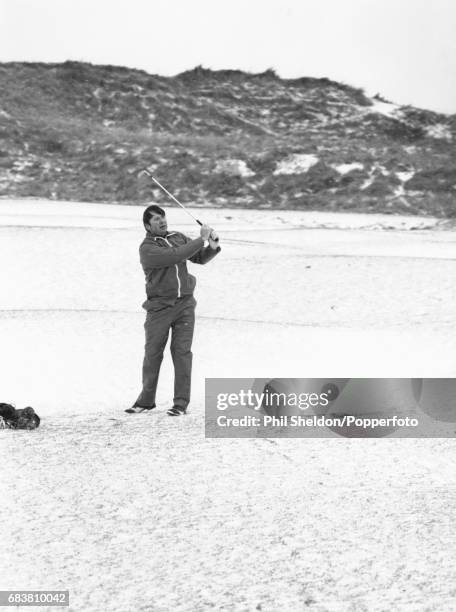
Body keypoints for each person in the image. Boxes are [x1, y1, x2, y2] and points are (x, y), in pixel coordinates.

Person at [126, 204, 221, 416]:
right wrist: (200, 239)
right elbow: (175, 256)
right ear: (147, 225)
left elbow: (198, 258)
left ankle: (180, 404)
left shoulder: (177, 236)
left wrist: (212, 246)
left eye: (163, 217)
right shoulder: (147, 248)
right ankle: (146, 401)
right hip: (159, 307)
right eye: (156, 219)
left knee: (182, 353)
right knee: (153, 354)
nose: (162, 221)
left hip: (185, 305)